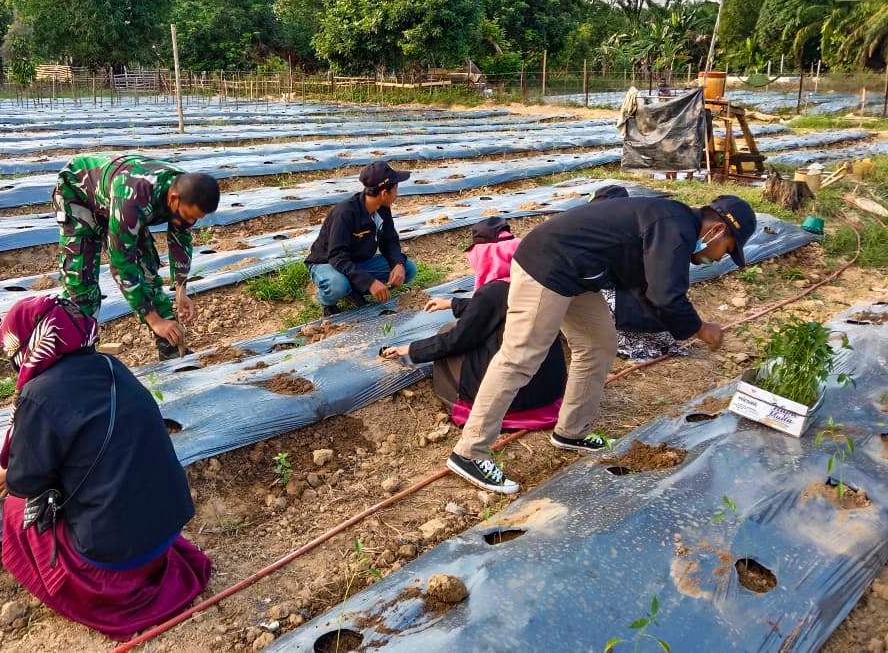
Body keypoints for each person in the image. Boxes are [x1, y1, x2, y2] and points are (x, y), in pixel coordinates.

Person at [446, 194, 757, 494]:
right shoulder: (675, 227)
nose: (719, 258)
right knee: (521, 356)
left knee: (599, 344)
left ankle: (572, 431)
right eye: (727, 250)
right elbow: (666, 295)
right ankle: (470, 452)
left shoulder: (672, 224)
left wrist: (678, 326)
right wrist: (700, 328)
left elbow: (649, 289)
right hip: (547, 265)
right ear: (717, 230)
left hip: (577, 273)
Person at [0, 295, 211, 641]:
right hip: (166, 531)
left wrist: (14, 471)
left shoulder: (38, 394)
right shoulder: (113, 366)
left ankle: (96, 592)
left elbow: (26, 484)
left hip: (114, 558)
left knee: (14, 509)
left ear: (26, 347)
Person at [381, 217, 566, 429]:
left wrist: (410, 349)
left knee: (448, 334)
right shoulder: (531, 281)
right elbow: (494, 308)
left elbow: (458, 339)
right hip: (548, 393)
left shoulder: (492, 292)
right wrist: (451, 303)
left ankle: (461, 403)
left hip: (516, 402)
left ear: (486, 257)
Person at [52, 154, 220, 360]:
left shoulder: (186, 189)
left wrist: (180, 290)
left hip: (116, 198)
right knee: (81, 281)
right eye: (189, 215)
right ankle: (77, 355)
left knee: (147, 267)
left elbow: (181, 239)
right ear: (174, 198)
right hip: (78, 192)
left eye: (197, 218)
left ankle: (168, 345)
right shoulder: (132, 201)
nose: (191, 221)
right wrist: (155, 321)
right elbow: (121, 265)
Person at [305, 160, 417, 316]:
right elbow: (337, 256)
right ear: (384, 193)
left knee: (408, 269)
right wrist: (369, 282)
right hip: (328, 262)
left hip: (357, 262)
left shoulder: (382, 209)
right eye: (396, 189)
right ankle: (327, 303)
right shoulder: (345, 213)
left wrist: (398, 263)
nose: (397, 194)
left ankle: (354, 289)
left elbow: (389, 240)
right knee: (337, 285)